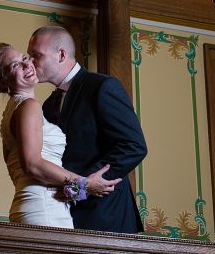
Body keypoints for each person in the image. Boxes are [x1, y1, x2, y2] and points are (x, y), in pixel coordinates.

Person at [0, 42, 120, 229]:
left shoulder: (10, 112)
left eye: (23, 58)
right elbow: (32, 165)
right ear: (4, 81)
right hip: (44, 209)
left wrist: (76, 191)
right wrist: (84, 185)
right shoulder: (29, 106)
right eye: (14, 65)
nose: (26, 64)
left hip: (33, 205)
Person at [26, 25, 147, 235]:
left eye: (36, 55)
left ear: (61, 54)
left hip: (107, 218)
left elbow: (133, 146)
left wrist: (78, 187)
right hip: (65, 217)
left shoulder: (102, 87)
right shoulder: (47, 104)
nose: (30, 62)